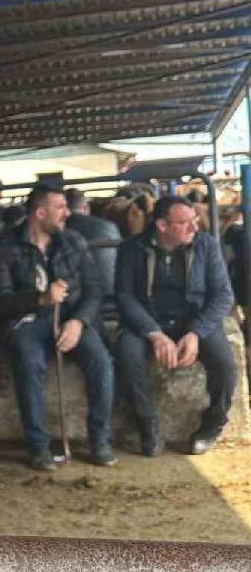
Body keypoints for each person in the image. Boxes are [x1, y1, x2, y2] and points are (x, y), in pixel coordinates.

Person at [0, 184, 115, 470]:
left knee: (101, 362)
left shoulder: (73, 241)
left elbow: (95, 290)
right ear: (40, 212)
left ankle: (100, 439)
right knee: (27, 359)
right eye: (60, 207)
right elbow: (0, 301)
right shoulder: (5, 246)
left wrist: (78, 322)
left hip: (72, 319)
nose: (67, 213)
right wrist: (40, 298)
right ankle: (38, 446)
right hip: (28, 322)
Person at [114, 195, 236, 456]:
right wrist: (154, 333)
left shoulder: (206, 245)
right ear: (162, 226)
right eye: (185, 223)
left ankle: (213, 424)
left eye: (194, 220)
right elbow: (124, 296)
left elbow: (223, 295)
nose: (195, 227)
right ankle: (147, 425)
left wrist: (196, 332)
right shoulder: (132, 248)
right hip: (149, 320)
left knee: (224, 362)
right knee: (126, 354)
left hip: (193, 319)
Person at [65, 188, 121, 296]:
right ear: (86, 207)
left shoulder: (60, 229)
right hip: (110, 293)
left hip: (73, 299)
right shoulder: (109, 226)